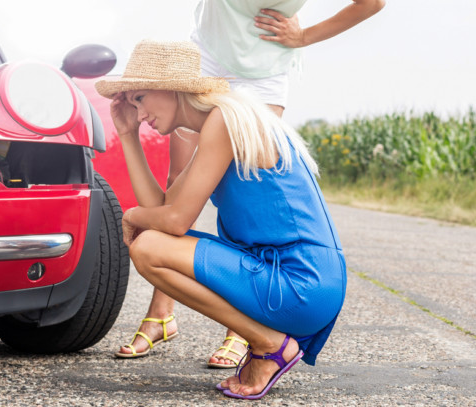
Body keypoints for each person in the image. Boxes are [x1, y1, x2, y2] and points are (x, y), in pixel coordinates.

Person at [108, 0, 383, 367]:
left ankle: (245, 327)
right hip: (206, 57)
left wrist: (304, 36)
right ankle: (160, 313)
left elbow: (369, 0)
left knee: (244, 190)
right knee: (180, 189)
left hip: (261, 72)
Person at [96, 40, 347, 399]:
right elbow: (163, 209)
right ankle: (266, 341)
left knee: (148, 247)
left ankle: (268, 344)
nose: (139, 114)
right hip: (296, 280)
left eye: (140, 98)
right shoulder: (222, 123)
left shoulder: (227, 120)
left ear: (172, 88)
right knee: (150, 242)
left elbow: (175, 221)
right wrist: (128, 137)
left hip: (302, 283)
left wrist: (132, 215)